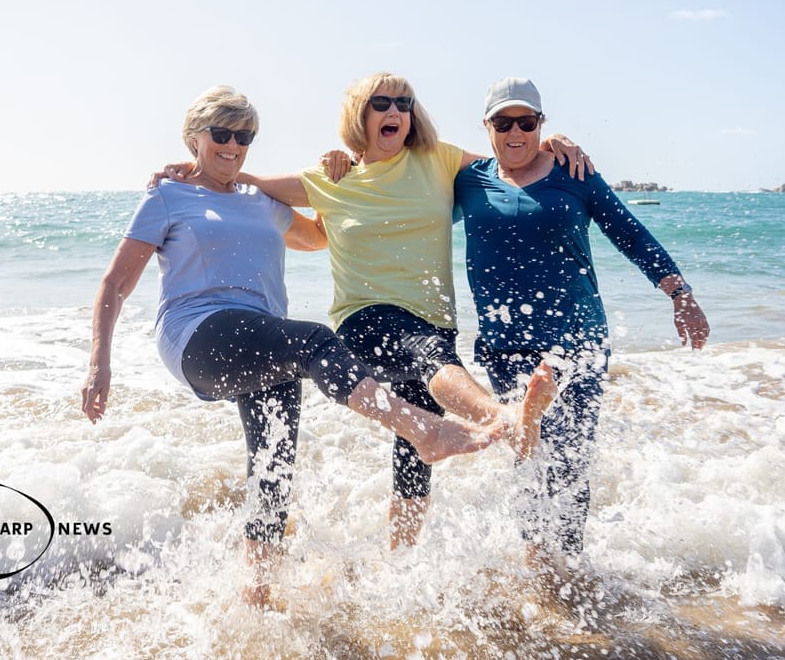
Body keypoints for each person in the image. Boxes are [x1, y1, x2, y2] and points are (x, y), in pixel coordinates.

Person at [82, 86, 500, 608]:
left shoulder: (261, 201)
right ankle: (424, 430)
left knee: (274, 463)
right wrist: (100, 364)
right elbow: (114, 285)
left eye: (245, 136)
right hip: (196, 334)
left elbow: (322, 234)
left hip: (262, 341)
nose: (233, 145)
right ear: (194, 139)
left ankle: (257, 594)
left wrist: (340, 168)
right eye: (221, 134)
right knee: (314, 341)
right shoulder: (168, 195)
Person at [178, 73, 594, 550]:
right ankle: (504, 419)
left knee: (417, 451)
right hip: (366, 320)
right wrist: (193, 165)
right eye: (381, 103)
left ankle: (400, 561)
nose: (395, 111)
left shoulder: (441, 161)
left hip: (433, 319)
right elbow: (242, 180)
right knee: (429, 356)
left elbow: (513, 164)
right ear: (360, 114)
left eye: (403, 103)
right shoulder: (330, 178)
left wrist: (551, 143)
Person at [453, 78, 710, 572]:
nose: (515, 132)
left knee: (569, 460)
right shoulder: (468, 180)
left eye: (527, 123)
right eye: (503, 122)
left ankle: (567, 564)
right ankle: (537, 562)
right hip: (505, 344)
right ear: (486, 128)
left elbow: (629, 233)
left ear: (541, 124)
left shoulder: (575, 173)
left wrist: (680, 293)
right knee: (528, 456)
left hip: (577, 338)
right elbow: (404, 192)